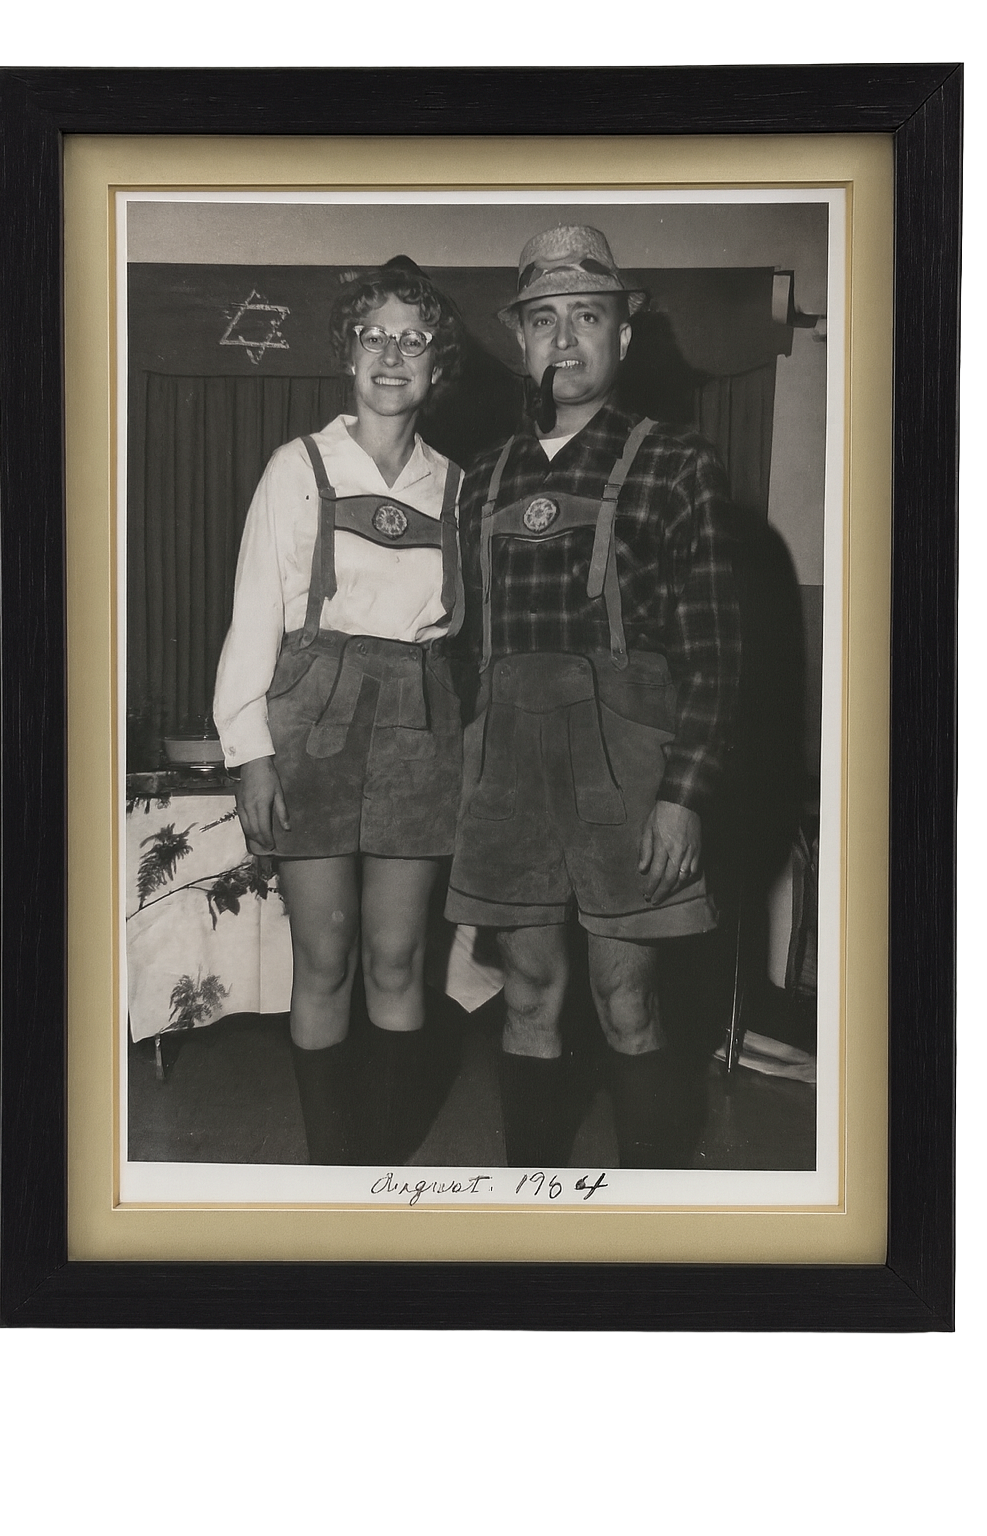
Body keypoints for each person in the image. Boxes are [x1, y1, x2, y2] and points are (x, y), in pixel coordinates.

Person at [444, 225, 741, 1168]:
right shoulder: (480, 478)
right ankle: (535, 1221)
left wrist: (683, 795)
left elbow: (717, 654)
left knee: (628, 1000)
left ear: (623, 335)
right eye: (542, 320)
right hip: (509, 773)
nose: (563, 340)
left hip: (630, 775)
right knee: (527, 993)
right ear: (520, 340)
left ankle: (652, 1223)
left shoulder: (678, 464)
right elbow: (459, 649)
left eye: (586, 315)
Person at [213, 256, 465, 1165]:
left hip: (419, 725)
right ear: (347, 354)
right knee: (324, 957)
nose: (392, 354)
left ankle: (384, 1176)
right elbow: (253, 620)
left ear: (439, 365)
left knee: (398, 960)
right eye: (374, 336)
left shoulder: (458, 485)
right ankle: (333, 1174)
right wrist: (250, 754)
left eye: (414, 339)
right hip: (312, 720)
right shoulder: (299, 465)